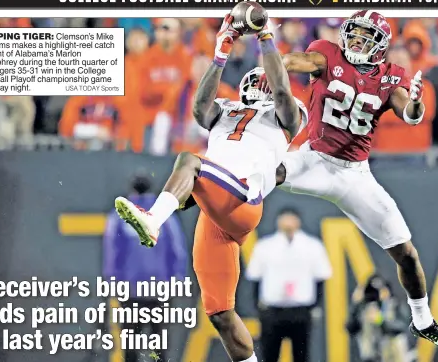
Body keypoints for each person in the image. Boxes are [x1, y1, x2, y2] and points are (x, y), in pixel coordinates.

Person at [113, 14, 307, 362]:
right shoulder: (228, 109)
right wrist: (220, 52)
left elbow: (281, 90)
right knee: (219, 311)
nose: (262, 84)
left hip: (242, 198)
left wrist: (265, 37)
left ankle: (154, 220)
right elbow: (200, 109)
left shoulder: (286, 117)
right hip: (216, 213)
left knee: (190, 160)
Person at [275, 10, 438, 353]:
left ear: (379, 46)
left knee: (406, 254)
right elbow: (294, 60)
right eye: (355, 33)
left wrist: (417, 103)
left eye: (365, 37)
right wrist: (273, 63)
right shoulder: (328, 53)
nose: (356, 41)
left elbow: (409, 113)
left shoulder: (392, 76)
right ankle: (199, 192)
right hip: (313, 158)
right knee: (265, 172)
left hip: (355, 174)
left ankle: (422, 320)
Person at [103, 171, 187, 362]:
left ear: (132, 190)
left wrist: (111, 282)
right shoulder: (164, 216)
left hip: (131, 289)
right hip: (160, 288)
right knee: (159, 341)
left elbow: (112, 253)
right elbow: (177, 250)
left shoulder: (119, 216)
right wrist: (177, 279)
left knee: (131, 340)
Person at [246, 207, 332, 362]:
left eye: (291, 218)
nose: (288, 223)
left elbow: (320, 279)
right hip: (272, 310)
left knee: (301, 355)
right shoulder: (265, 246)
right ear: (278, 221)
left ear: (298, 221)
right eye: (285, 218)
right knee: (269, 354)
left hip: (300, 310)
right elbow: (255, 278)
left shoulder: (312, 246)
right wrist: (259, 308)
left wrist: (315, 307)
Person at [346, 274, 412, 362]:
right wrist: (355, 303)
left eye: (381, 290)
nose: (377, 295)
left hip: (393, 356)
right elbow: (351, 328)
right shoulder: (364, 308)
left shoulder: (395, 305)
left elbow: (400, 327)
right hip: (371, 357)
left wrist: (380, 320)